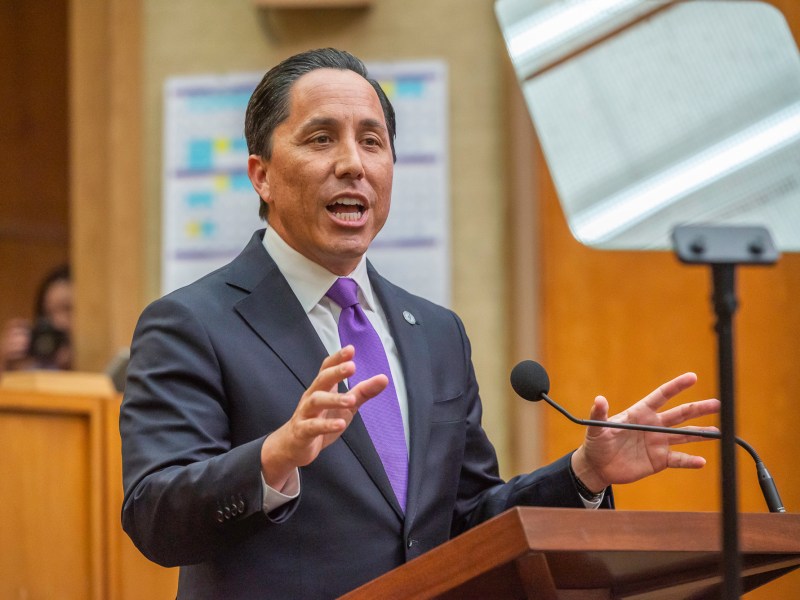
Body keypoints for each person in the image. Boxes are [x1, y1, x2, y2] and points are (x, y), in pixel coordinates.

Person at [120, 49, 719, 599]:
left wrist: (584, 473)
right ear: (262, 175)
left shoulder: (435, 333)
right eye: (321, 138)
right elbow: (155, 518)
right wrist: (275, 457)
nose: (352, 164)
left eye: (372, 141)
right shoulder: (192, 323)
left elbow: (462, 521)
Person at [0, 264, 72, 375]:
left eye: (67, 308)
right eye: (48, 314)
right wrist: (5, 364)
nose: (57, 321)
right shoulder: (38, 369)